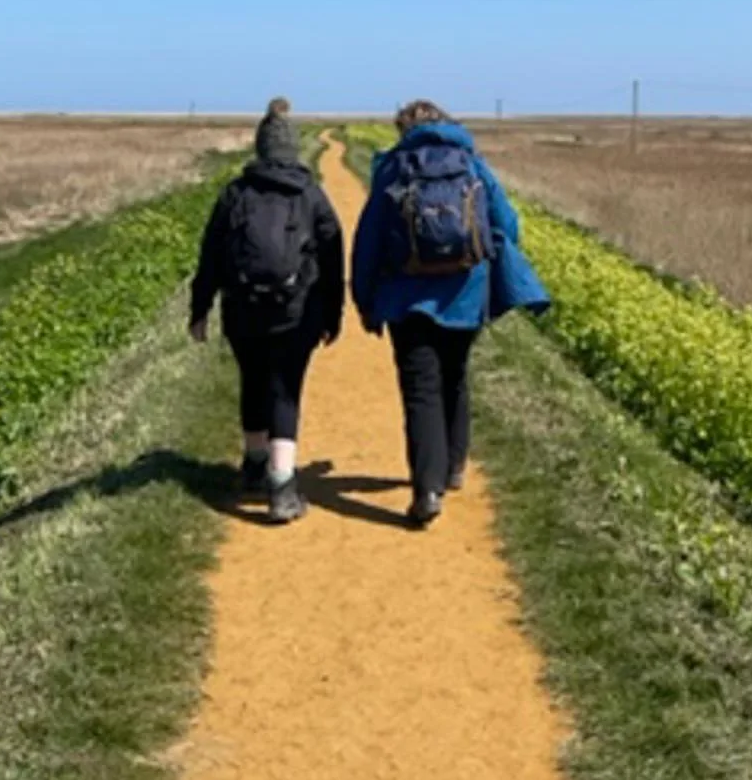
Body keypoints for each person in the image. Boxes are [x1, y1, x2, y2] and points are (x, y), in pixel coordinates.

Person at [351, 100, 548, 529]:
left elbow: (368, 240)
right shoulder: (473, 164)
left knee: (421, 389)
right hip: (465, 293)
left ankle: (427, 489)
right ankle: (455, 467)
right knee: (455, 375)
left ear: (404, 129)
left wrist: (365, 300)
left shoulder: (393, 168)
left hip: (406, 299)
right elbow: (508, 224)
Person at [189, 99, 343, 523]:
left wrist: (200, 309)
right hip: (297, 312)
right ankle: (282, 486)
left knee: (252, 380)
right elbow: (332, 259)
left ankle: (255, 463)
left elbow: (211, 258)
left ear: (259, 149)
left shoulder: (235, 194)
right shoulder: (311, 195)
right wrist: (334, 314)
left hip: (242, 309)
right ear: (292, 149)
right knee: (285, 390)